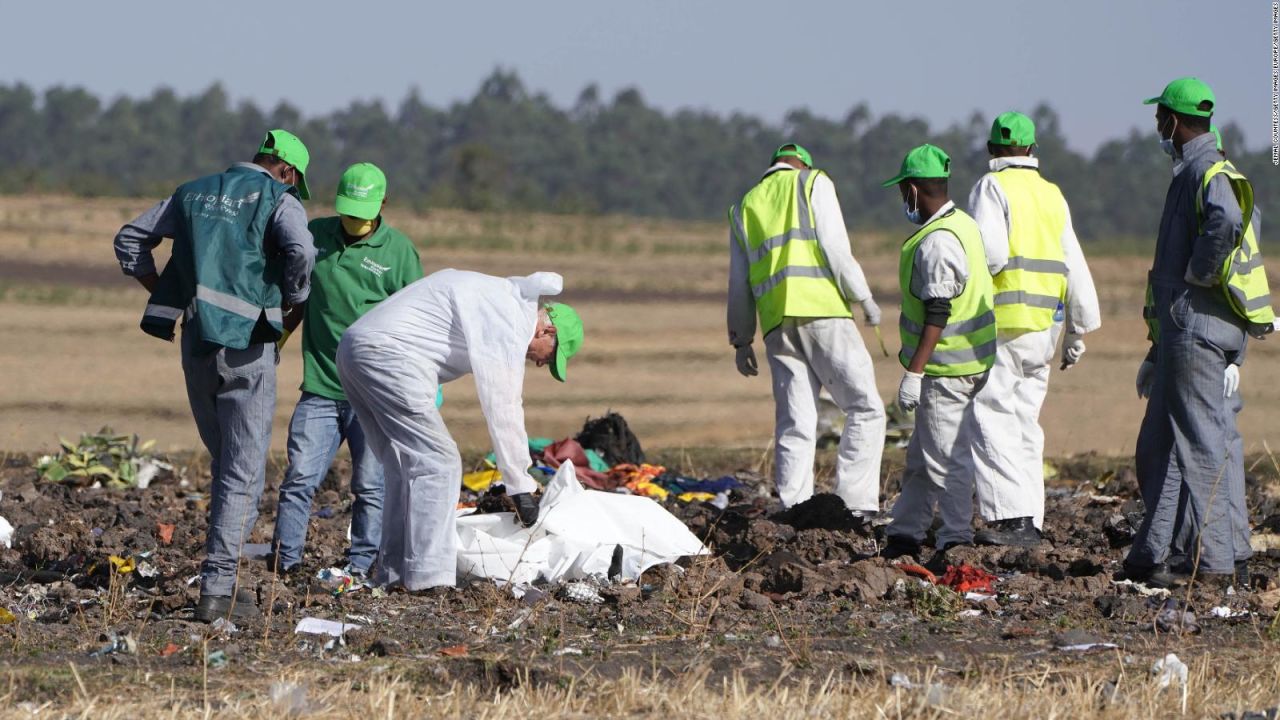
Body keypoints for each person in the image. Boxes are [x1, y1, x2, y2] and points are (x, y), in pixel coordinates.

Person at [113, 130, 316, 621]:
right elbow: (302, 254)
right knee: (241, 472)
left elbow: (130, 238)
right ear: (287, 171)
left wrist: (164, 290)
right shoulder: (280, 199)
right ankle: (217, 591)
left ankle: (226, 585)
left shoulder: (192, 192)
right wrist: (293, 297)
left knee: (229, 464)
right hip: (248, 350)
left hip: (196, 345)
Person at [336, 269, 583, 591]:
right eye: (550, 357)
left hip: (355, 349)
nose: (541, 364)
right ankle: (428, 578)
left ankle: (394, 574)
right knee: (440, 464)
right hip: (388, 356)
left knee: (402, 465)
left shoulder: (496, 298)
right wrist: (519, 486)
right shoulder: (510, 321)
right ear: (547, 330)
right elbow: (504, 406)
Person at [1126, 78, 1274, 588]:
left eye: (1159, 118)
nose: (1157, 127)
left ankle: (1217, 563)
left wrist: (1201, 272)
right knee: (1161, 444)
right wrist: (1154, 345)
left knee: (1202, 445)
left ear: (1173, 120)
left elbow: (1228, 221)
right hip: (1186, 330)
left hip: (1197, 327)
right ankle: (1152, 554)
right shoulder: (1200, 169)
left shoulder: (1207, 172)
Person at [269, 163, 424, 579]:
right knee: (300, 479)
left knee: (371, 487)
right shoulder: (315, 237)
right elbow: (296, 298)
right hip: (320, 387)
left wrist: (421, 382)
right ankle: (286, 565)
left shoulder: (400, 254)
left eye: (362, 211)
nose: (353, 220)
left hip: (374, 396)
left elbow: (417, 322)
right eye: (348, 210)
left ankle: (360, 567)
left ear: (383, 205)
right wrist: (277, 341)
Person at [726, 143, 886, 517]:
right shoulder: (813, 182)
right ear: (803, 164)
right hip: (822, 311)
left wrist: (741, 339)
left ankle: (795, 508)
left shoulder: (744, 207)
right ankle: (856, 506)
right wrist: (863, 296)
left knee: (796, 421)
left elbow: (739, 282)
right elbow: (835, 247)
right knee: (865, 407)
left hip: (776, 325)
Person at [967, 112, 1102, 547]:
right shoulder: (1052, 194)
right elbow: (1073, 262)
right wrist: (1079, 330)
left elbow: (989, 255)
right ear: (1032, 150)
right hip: (1046, 329)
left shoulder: (992, 187)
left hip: (1004, 325)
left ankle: (1011, 520)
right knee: (1025, 423)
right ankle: (1031, 520)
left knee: (990, 415)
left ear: (991, 151)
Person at [878, 144, 996, 561]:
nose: (901, 200)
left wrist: (914, 370)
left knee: (947, 458)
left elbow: (938, 310)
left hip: (948, 366)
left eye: (901, 192)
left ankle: (955, 540)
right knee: (924, 455)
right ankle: (905, 533)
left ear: (912, 190)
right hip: (967, 360)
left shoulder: (937, 242)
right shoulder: (963, 224)